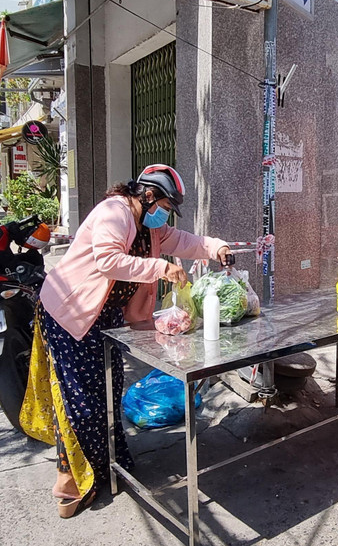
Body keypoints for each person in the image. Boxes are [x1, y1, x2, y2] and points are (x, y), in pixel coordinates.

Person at [37, 164, 229, 518]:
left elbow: (186, 242)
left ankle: (111, 462)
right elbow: (108, 261)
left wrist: (217, 248)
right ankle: (73, 482)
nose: (166, 216)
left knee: (109, 390)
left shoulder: (150, 227)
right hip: (71, 312)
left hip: (104, 316)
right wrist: (161, 269)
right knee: (81, 401)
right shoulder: (115, 212)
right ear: (149, 195)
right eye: (166, 207)